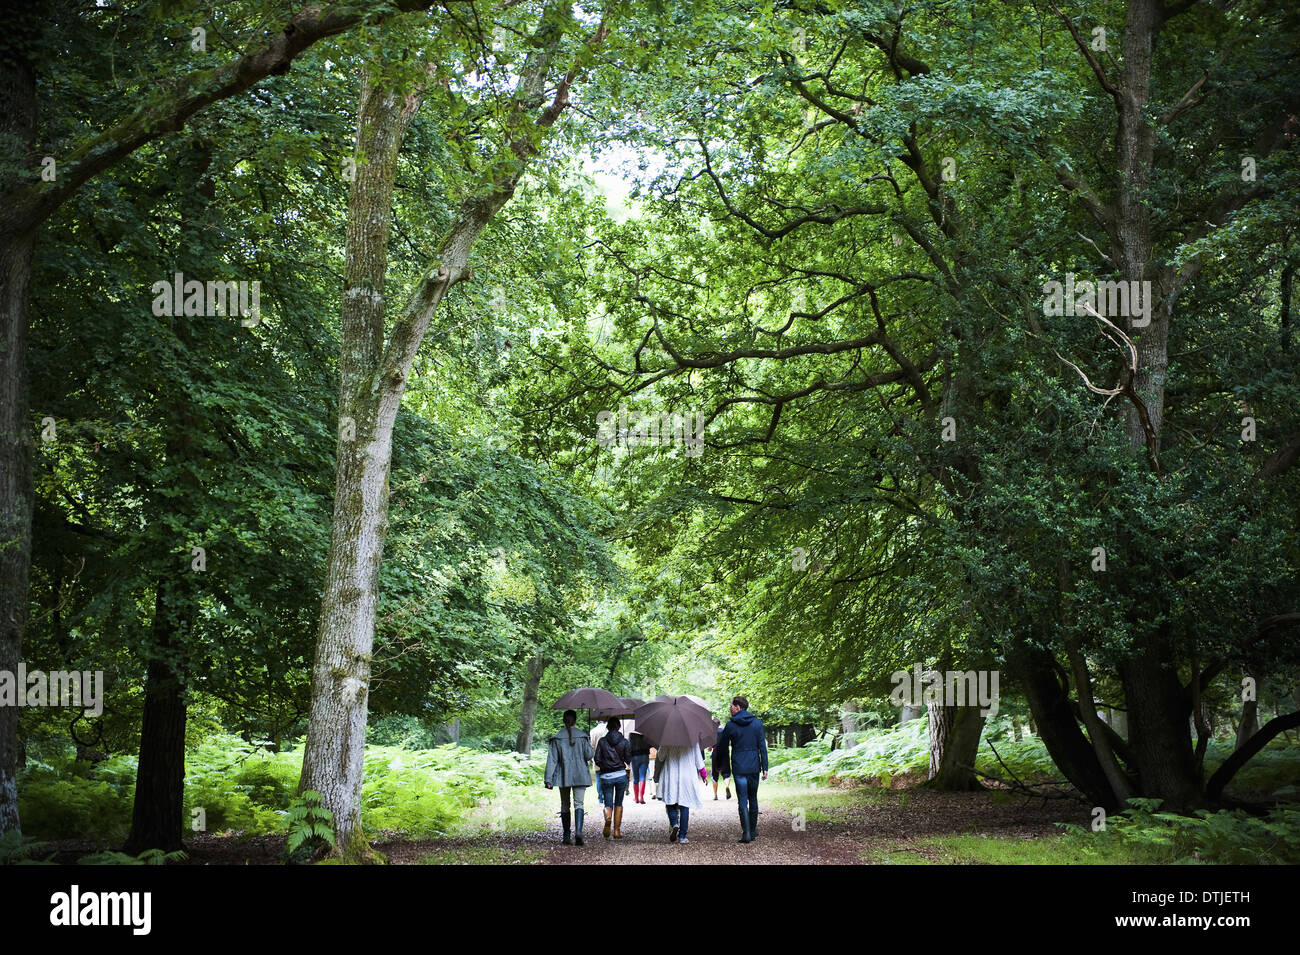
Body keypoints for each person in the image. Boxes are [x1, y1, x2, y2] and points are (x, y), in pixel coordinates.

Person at [717, 695, 768, 843]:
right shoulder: (757, 723)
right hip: (753, 766)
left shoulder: (731, 725)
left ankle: (746, 833)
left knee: (742, 800)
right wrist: (765, 767)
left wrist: (722, 766)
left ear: (738, 707)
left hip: (739, 766)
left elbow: (722, 748)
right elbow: (762, 747)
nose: (730, 708)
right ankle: (752, 830)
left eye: (731, 706)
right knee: (753, 798)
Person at [544, 710, 595, 846]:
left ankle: (566, 835)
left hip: (563, 775)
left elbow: (552, 760)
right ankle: (578, 832)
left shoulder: (557, 738)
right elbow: (589, 755)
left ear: (563, 720)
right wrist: (589, 744)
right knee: (579, 803)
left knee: (565, 804)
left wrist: (548, 779)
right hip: (580, 774)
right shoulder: (582, 736)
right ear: (575, 720)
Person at [654, 742, 705, 844]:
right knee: (685, 804)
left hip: (671, 774)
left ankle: (674, 823)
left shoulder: (667, 739)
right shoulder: (693, 739)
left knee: (670, 802)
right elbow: (698, 760)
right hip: (687, 775)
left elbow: (660, 757)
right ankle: (682, 836)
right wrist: (703, 775)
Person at [593, 718, 632, 838]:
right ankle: (616, 831)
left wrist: (605, 766)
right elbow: (628, 759)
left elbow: (597, 759)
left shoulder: (602, 741)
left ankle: (608, 817)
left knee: (608, 802)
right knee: (619, 803)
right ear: (619, 726)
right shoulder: (624, 742)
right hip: (620, 775)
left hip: (606, 776)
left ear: (608, 727)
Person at [589, 719, 609, 809]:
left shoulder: (593, 731)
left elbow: (592, 746)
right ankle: (607, 796)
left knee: (598, 778)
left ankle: (600, 798)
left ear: (597, 721)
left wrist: (589, 759)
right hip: (608, 758)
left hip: (597, 758)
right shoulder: (608, 730)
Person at [710, 717, 731, 800]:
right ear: (720, 723)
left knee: (715, 775)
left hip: (715, 754)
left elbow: (709, 747)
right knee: (726, 773)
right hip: (725, 754)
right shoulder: (725, 731)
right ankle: (727, 786)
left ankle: (715, 795)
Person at [628, 730, 651, 804]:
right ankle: (641, 797)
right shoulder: (646, 733)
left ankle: (636, 797)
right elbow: (650, 744)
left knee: (635, 778)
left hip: (634, 757)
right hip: (644, 756)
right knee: (642, 777)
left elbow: (629, 747)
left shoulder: (631, 734)